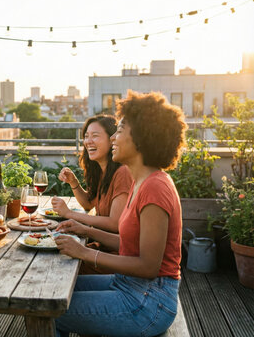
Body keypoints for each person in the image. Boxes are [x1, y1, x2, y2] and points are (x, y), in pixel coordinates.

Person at [54, 90, 187, 337]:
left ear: (141, 137)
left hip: (149, 301)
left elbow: (148, 266)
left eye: (120, 130)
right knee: (53, 290)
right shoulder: (141, 181)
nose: (114, 136)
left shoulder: (155, 188)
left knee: (51, 311)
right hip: (129, 284)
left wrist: (85, 252)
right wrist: (85, 230)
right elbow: (130, 243)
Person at [51, 115, 133, 233]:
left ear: (112, 140)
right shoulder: (102, 171)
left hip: (113, 250)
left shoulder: (122, 172)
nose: (88, 142)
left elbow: (115, 224)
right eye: (86, 136)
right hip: (100, 244)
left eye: (95, 136)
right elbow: (88, 204)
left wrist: (69, 213)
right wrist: (73, 182)